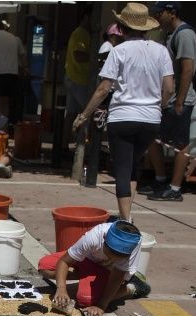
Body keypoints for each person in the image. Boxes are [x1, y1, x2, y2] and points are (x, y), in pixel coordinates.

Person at [74, 3, 172, 222]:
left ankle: (126, 221)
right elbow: (169, 88)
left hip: (123, 117)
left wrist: (84, 115)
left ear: (122, 27)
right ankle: (126, 214)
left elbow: (103, 88)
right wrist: (159, 106)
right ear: (145, 28)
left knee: (122, 168)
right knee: (132, 166)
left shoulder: (118, 51)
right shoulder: (161, 51)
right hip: (150, 119)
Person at [142, 2, 196, 202]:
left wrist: (180, 101)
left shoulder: (184, 35)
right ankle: (160, 179)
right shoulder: (170, 34)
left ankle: (175, 188)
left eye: (159, 13)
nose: (157, 17)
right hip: (168, 98)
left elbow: (187, 69)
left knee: (180, 143)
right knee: (154, 138)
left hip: (179, 99)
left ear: (171, 13)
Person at [39, 219, 151, 316]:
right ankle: (87, 279)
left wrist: (101, 306)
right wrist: (61, 288)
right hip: (88, 261)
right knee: (45, 266)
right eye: (110, 254)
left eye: (118, 258)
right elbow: (64, 261)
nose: (112, 259)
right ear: (104, 238)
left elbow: (116, 278)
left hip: (109, 271)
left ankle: (132, 287)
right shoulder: (95, 236)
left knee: (86, 299)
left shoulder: (132, 245)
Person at [0, 17, 27, 122]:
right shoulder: (14, 38)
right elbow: (23, 55)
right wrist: (24, 67)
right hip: (12, 74)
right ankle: (5, 127)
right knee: (6, 101)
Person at [63, 6, 94, 146]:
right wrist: (95, 57)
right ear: (86, 17)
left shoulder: (82, 33)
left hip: (74, 77)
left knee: (71, 114)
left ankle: (65, 144)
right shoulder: (81, 33)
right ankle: (83, 143)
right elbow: (79, 55)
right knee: (88, 111)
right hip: (79, 79)